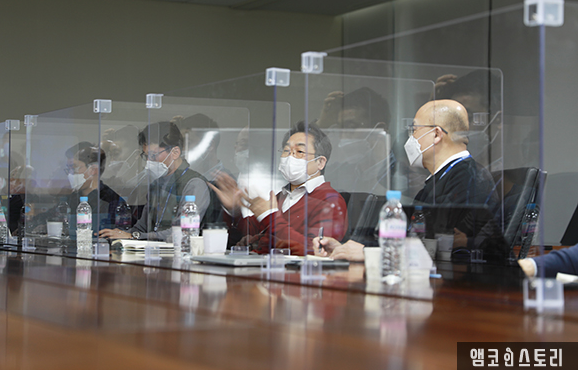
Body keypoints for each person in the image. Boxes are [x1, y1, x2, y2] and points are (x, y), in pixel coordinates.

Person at [315, 99, 503, 261]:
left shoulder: (468, 179)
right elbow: (412, 238)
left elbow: (442, 247)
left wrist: (367, 253)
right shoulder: (442, 178)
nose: (411, 138)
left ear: (436, 134)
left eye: (414, 130)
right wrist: (345, 249)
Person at [210, 122, 347, 255]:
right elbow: (247, 234)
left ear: (320, 162)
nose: (290, 157)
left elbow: (316, 250)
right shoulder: (281, 196)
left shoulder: (330, 202)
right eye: (286, 151)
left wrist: (269, 216)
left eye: (299, 151)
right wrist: (235, 211)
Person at [99, 121, 210, 241]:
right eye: (146, 156)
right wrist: (119, 235)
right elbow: (141, 228)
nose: (148, 161)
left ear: (175, 153)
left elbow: (183, 231)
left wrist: (134, 236)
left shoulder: (194, 184)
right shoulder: (156, 184)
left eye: (153, 155)